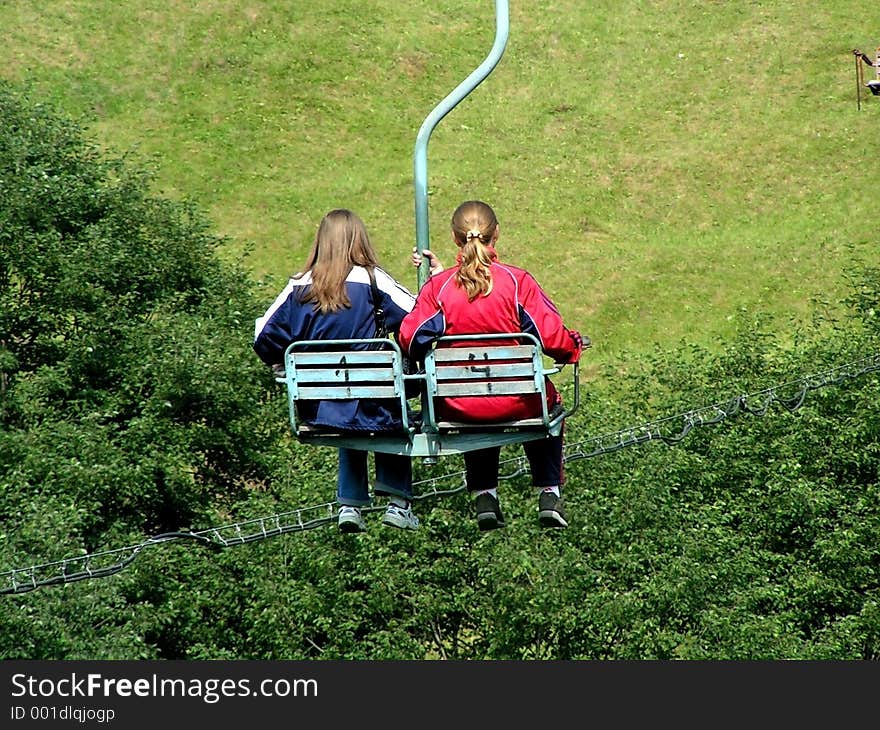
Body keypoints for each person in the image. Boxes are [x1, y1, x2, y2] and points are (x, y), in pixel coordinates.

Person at [399, 200, 585, 531]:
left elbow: (411, 338)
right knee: (547, 401)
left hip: (457, 405)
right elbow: (551, 335)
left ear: (456, 240)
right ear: (496, 233)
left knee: (475, 399)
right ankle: (549, 491)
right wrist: (571, 349)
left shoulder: (439, 289)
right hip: (518, 402)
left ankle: (485, 493)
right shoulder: (517, 283)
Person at [253, 208, 420, 533]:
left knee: (346, 409)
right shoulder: (372, 280)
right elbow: (417, 317)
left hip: (320, 407)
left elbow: (263, 336)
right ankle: (398, 502)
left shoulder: (298, 287)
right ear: (359, 241)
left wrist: (279, 359)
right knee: (389, 406)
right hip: (375, 402)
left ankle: (350, 504)